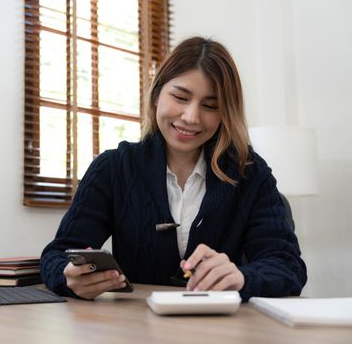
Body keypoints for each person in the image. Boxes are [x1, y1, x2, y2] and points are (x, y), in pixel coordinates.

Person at [40, 36, 307, 302]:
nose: (191, 117)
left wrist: (242, 277)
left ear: (226, 112)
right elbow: (57, 254)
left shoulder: (250, 173)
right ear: (156, 94)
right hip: (135, 328)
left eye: (210, 106)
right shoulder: (113, 168)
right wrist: (68, 277)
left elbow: (288, 267)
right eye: (180, 97)